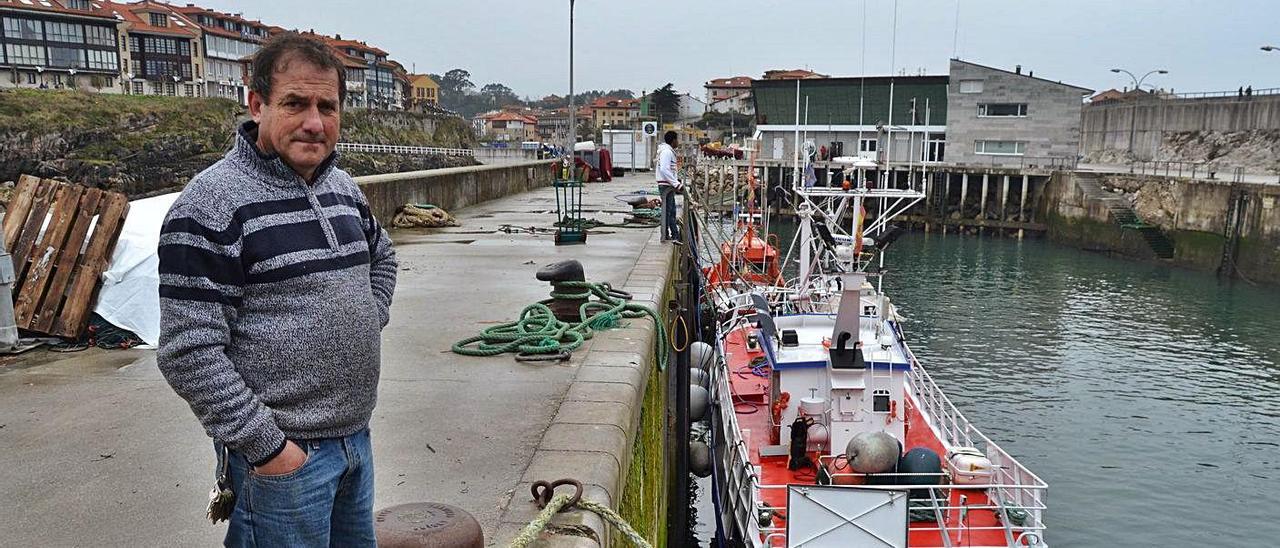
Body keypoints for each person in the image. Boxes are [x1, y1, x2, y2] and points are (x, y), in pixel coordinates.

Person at [157, 32, 397, 547]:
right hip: (283, 463)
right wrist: (270, 449)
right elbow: (188, 352)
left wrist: (363, 317)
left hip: (355, 442)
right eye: (295, 103)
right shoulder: (209, 206)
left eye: (327, 106)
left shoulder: (344, 190)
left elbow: (383, 258)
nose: (315, 122)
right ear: (257, 103)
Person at [656, 130, 682, 242]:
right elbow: (664, 169)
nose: (678, 142)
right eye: (677, 139)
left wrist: (675, 180)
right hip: (666, 185)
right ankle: (672, 234)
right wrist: (676, 184)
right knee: (669, 211)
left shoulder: (668, 151)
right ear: (673, 140)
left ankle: (670, 234)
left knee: (670, 210)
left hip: (668, 184)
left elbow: (669, 170)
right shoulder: (667, 152)